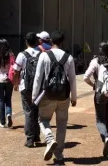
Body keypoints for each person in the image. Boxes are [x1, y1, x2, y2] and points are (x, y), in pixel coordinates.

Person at [32, 31, 77, 164]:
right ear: (63, 42)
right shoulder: (68, 57)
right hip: (63, 96)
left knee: (43, 119)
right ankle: (59, 155)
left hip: (47, 95)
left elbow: (38, 78)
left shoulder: (44, 56)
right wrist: (74, 97)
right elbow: (73, 79)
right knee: (62, 124)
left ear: (50, 41)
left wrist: (34, 96)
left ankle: (50, 139)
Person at [13, 32, 41, 147]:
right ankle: (37, 135)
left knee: (28, 111)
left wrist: (16, 83)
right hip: (38, 87)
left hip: (26, 87)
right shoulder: (41, 54)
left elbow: (16, 70)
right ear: (36, 42)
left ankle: (30, 138)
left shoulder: (22, 54)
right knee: (36, 111)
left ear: (26, 42)